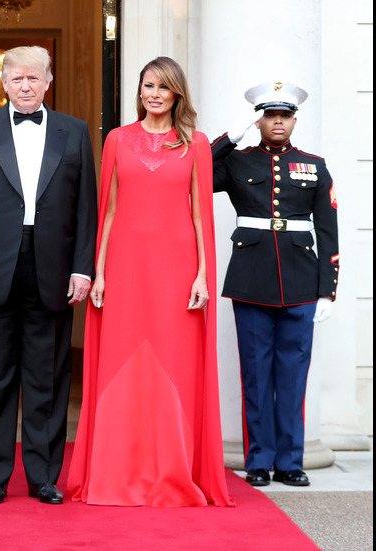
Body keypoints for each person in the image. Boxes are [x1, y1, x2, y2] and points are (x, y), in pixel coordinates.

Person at [66, 56, 234, 507]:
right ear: (138, 91)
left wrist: (203, 275)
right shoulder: (117, 140)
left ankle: (174, 472)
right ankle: (116, 472)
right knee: (120, 360)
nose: (154, 94)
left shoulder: (196, 143)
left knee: (174, 363)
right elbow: (108, 211)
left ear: (177, 93)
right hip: (124, 269)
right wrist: (100, 273)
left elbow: (200, 215)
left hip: (177, 271)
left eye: (163, 87)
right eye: (148, 86)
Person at [0, 45, 98, 506]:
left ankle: (43, 477)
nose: (26, 86)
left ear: (48, 81)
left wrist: (83, 267)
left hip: (54, 268)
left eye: (34, 78)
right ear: (4, 83)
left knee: (47, 377)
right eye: (17, 78)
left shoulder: (74, 131)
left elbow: (86, 207)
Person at [210, 82, 339, 487]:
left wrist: (327, 291)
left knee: (293, 378)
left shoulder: (314, 165)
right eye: (269, 115)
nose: (278, 122)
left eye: (285, 115)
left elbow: (328, 231)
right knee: (256, 376)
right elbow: (194, 174)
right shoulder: (238, 161)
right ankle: (259, 461)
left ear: (295, 121)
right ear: (259, 120)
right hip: (251, 281)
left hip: (301, 283)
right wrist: (230, 139)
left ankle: (290, 462)